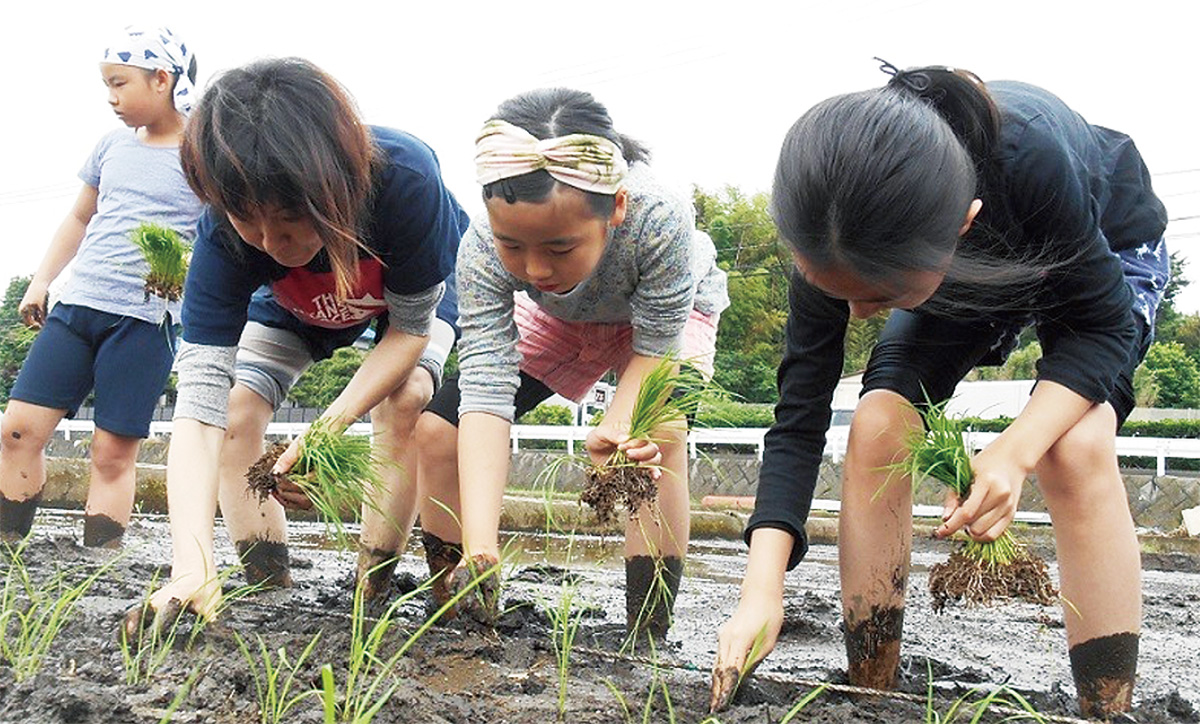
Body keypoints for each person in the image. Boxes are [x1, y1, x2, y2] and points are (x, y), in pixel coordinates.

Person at [713, 64, 1167, 720]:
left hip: (1100, 256)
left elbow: (1101, 326)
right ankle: (869, 692)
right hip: (932, 268)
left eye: (878, 300)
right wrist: (761, 590)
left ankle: (1107, 708)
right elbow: (800, 414)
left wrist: (1012, 455)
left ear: (963, 224)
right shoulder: (835, 224)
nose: (862, 317)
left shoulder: (1030, 159)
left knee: (1076, 447)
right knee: (878, 423)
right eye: (843, 295)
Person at [128, 58, 466, 628]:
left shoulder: (405, 180)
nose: (270, 241)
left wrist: (323, 431)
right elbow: (199, 405)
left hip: (406, 296)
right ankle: (263, 581)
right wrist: (188, 562)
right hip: (300, 300)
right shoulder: (226, 236)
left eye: (288, 219)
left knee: (405, 398)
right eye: (246, 220)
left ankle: (371, 588)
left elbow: (409, 330)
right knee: (235, 408)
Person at [413, 88, 729, 638]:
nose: (534, 268)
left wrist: (622, 419)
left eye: (559, 248)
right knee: (438, 430)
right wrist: (483, 544)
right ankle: (458, 605)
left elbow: (655, 346)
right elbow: (486, 388)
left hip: (661, 321)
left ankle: (647, 636)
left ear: (616, 210)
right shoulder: (483, 247)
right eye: (515, 247)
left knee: (655, 443)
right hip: (561, 317)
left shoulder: (660, 218)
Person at [0, 26, 203, 548]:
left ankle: (100, 560)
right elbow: (78, 217)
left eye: (120, 83)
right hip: (77, 308)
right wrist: (42, 280)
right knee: (17, 432)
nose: (111, 98)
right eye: (106, 86)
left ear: (161, 79)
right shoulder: (111, 145)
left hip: (146, 321)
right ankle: (8, 549)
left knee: (112, 452)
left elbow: (228, 239)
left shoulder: (205, 155)